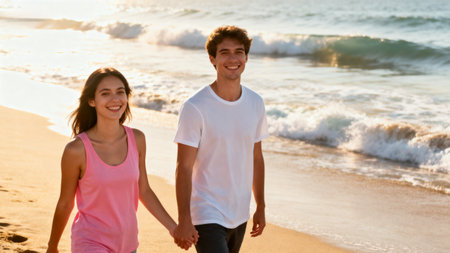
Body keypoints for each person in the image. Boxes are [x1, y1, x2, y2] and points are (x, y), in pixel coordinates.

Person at [46, 68, 189, 252]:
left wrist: (174, 228)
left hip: (128, 243)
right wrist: (52, 246)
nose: (115, 99)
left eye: (120, 92)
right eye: (105, 93)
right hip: (90, 241)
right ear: (91, 101)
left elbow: (143, 190)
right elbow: (65, 202)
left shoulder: (137, 139)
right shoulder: (76, 150)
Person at [173, 26, 269, 253]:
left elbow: (256, 157)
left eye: (239, 51)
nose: (233, 58)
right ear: (212, 59)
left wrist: (261, 205)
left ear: (246, 57)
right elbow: (183, 167)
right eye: (225, 52)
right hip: (206, 212)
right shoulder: (195, 107)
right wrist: (184, 219)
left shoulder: (255, 103)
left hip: (240, 211)